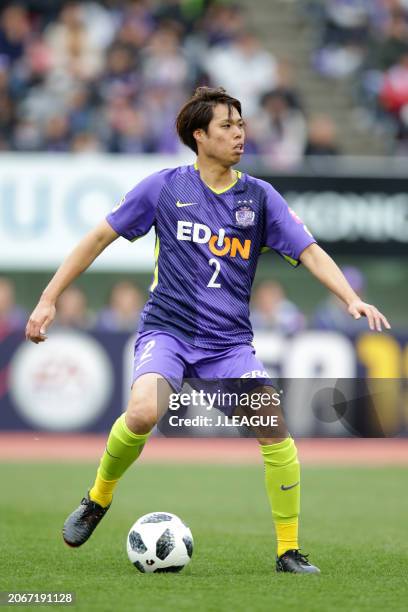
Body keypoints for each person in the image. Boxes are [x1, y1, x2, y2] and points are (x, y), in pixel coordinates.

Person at [26, 86, 390, 575]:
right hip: (168, 330)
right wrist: (49, 297)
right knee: (143, 412)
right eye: (227, 125)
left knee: (274, 428)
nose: (239, 133)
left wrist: (350, 297)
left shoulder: (260, 197)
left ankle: (288, 551)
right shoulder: (164, 187)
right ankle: (97, 499)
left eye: (241, 124)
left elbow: (309, 250)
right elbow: (97, 238)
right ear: (200, 136)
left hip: (229, 344)